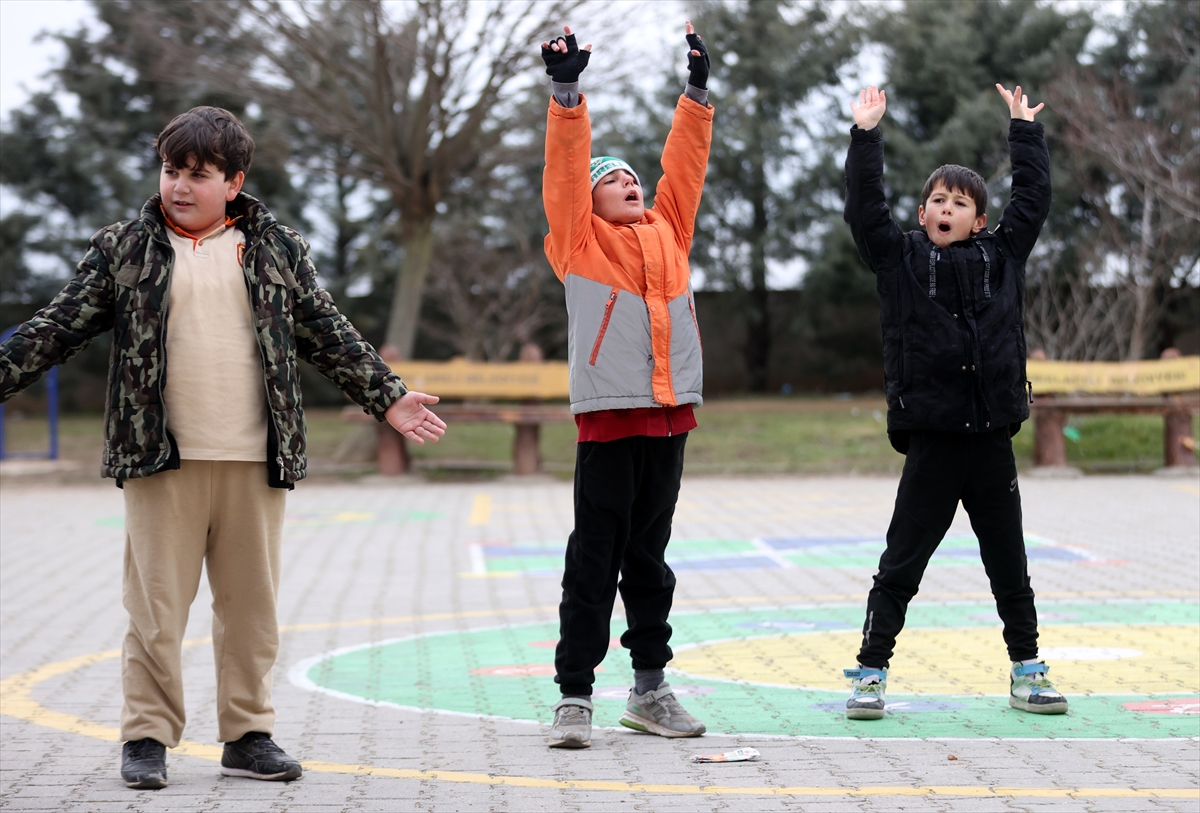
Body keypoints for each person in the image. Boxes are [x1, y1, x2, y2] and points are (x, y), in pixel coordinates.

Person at [0, 106, 447, 788]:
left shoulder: (278, 249)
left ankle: (248, 732)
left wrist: (389, 396)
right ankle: (147, 736)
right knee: (154, 608)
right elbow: (56, 327)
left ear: (234, 182)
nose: (180, 185)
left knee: (250, 610)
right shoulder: (124, 247)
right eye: (171, 169)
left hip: (255, 458)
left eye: (199, 174)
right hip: (157, 457)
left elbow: (328, 332)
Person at [841, 84, 1068, 719]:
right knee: (901, 563)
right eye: (937, 199)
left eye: (960, 202)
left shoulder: (1003, 256)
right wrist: (866, 136)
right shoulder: (900, 261)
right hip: (934, 437)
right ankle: (870, 671)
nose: (946, 207)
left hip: (991, 436)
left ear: (979, 220)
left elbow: (1034, 200)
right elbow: (864, 209)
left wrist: (1024, 132)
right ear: (922, 214)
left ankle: (1028, 667)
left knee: (1009, 564)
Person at [538, 22, 713, 748]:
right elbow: (565, 169)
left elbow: (687, 167)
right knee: (594, 559)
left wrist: (696, 95)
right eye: (611, 178)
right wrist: (567, 95)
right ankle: (574, 696)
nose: (627, 182)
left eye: (630, 175)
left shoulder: (670, 230)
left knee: (649, 560)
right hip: (610, 423)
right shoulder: (577, 239)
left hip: (669, 421)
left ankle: (649, 690)